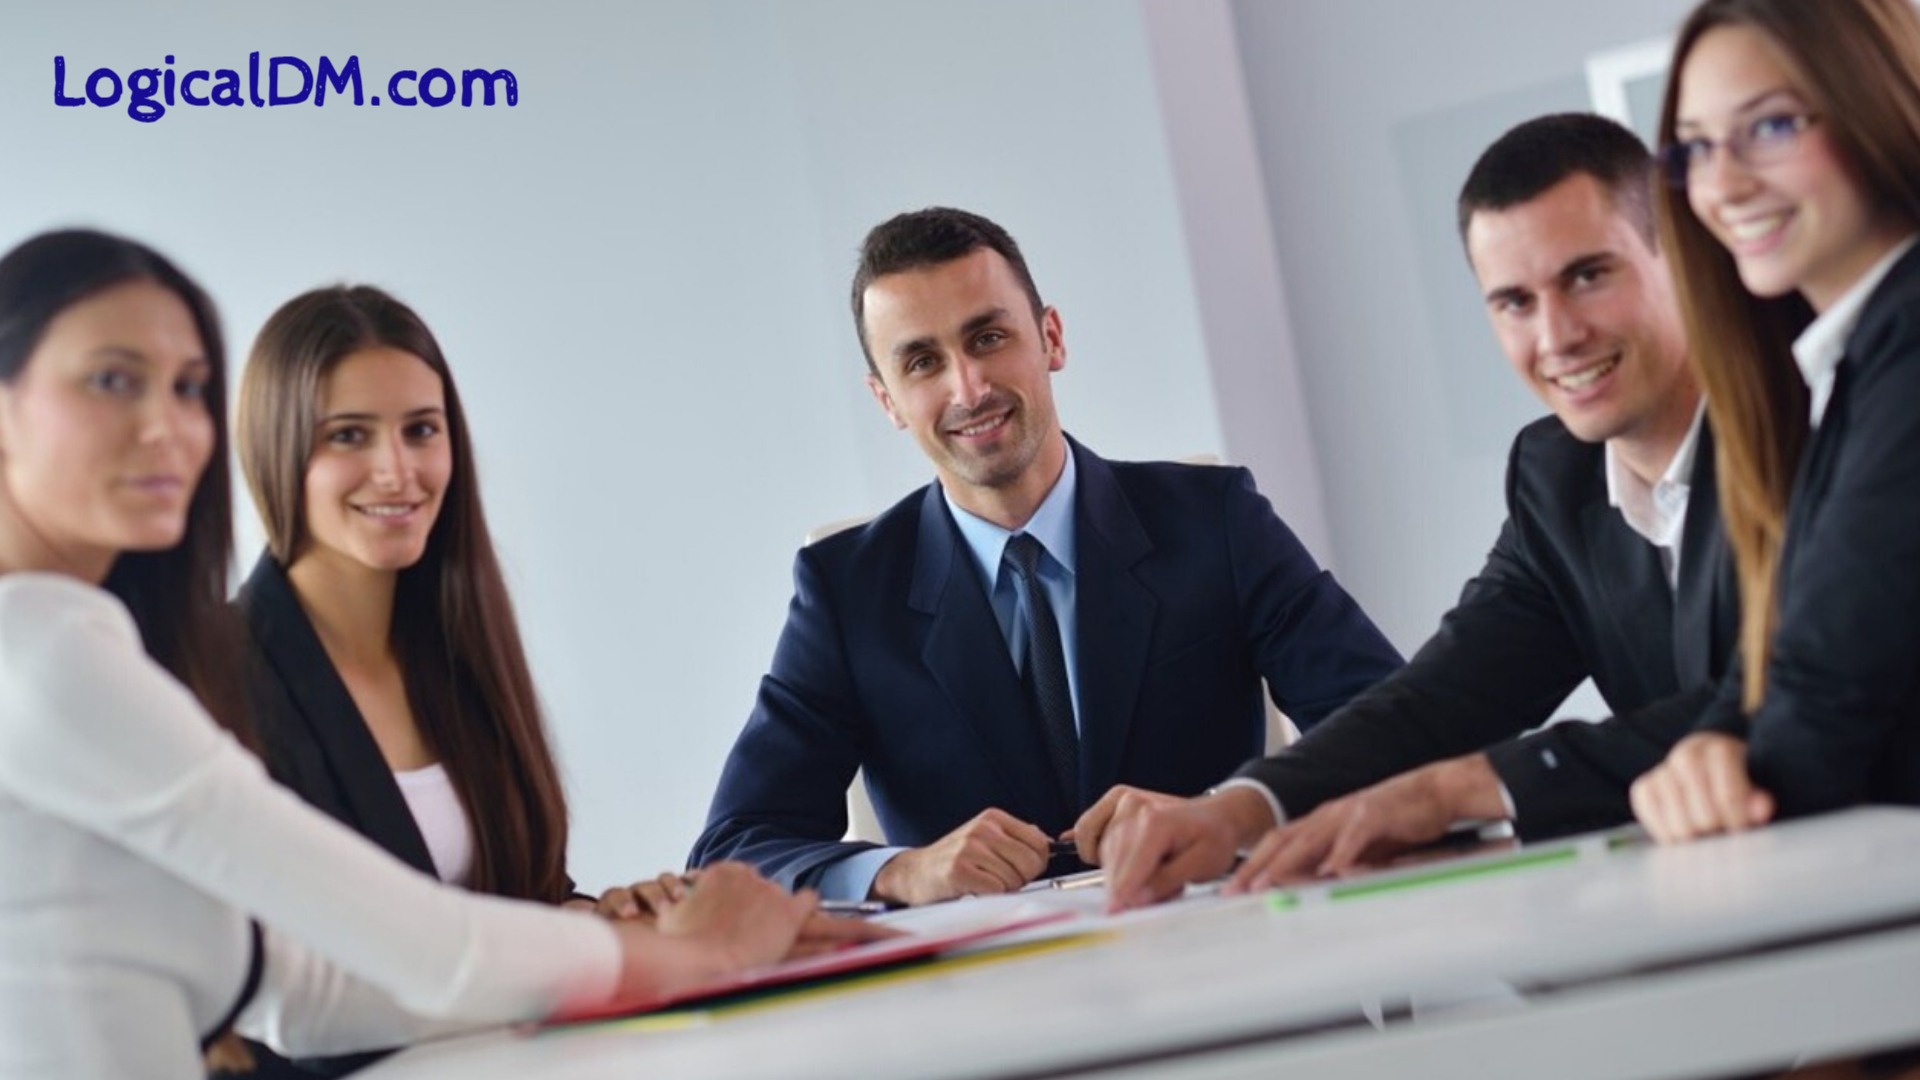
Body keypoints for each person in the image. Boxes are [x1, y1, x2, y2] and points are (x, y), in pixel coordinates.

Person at [0, 229, 877, 1078]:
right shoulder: (43, 655)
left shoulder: (83, 641)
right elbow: (425, 950)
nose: (167, 427)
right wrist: (696, 951)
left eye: (189, 388)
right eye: (113, 381)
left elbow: (298, 993)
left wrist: (650, 943)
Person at [1085, 114, 1738, 911]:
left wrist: (1463, 790)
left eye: (1588, 276)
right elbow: (1446, 696)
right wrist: (1242, 807)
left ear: (1679, 253)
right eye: (1513, 302)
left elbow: (1794, 694)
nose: (1557, 335)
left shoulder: (1819, 429)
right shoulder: (1554, 472)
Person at [689, 207, 1402, 906]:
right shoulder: (845, 593)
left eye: (989, 337)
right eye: (922, 362)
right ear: (888, 400)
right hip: (997, 1004)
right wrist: (901, 871)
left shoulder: (1215, 520)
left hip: (1230, 964)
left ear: (1051, 337)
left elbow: (1394, 731)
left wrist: (1230, 810)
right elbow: (734, 849)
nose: (968, 388)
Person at [230, 284, 677, 1074]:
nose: (396, 470)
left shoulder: (456, 646)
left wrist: (600, 917)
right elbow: (277, 993)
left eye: (420, 430)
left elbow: (517, 900)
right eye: (349, 436)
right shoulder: (222, 675)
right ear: (278, 447)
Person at [1630, 0, 1920, 844]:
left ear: (1881, 101)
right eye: (1697, 147)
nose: (1722, 186)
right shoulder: (1848, 358)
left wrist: (1731, 790)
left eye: (1774, 126)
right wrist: (1716, 743)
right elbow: (1792, 654)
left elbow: (1836, 696)